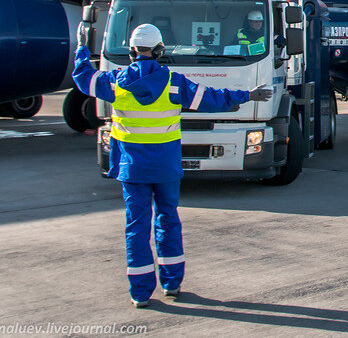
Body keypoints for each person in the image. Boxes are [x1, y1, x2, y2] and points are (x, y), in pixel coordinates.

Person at [72, 23, 272, 308]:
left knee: (136, 227)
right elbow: (213, 98)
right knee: (168, 220)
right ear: (160, 51)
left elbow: (82, 77)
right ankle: (172, 284)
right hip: (165, 168)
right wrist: (248, 96)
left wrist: (82, 47)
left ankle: (140, 293)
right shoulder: (173, 83)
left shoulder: (114, 82)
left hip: (132, 169)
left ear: (131, 51)